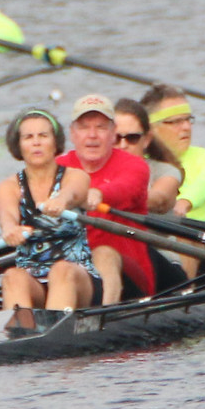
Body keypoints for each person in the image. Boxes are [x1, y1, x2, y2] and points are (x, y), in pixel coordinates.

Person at [0, 109, 100, 314]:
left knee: (61, 270)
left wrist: (61, 200)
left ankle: (53, 336)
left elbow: (75, 193)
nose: (36, 142)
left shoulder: (75, 176)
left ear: (55, 143)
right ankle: (20, 334)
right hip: (34, 281)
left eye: (43, 136)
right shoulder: (8, 187)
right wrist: (9, 229)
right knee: (12, 275)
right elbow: (6, 214)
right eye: (28, 137)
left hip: (77, 277)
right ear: (19, 145)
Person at [54, 94, 155, 305]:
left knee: (103, 253)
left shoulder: (134, 166)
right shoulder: (57, 166)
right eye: (84, 127)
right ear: (73, 133)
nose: (92, 135)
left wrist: (98, 194)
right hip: (70, 269)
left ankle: (103, 316)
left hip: (131, 277)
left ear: (112, 134)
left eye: (101, 127)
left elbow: (125, 189)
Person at [140, 84, 205, 277]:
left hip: (200, 252)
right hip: (156, 249)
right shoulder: (140, 163)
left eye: (188, 119)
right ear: (151, 129)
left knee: (182, 228)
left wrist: (184, 202)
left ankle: (182, 291)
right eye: (175, 121)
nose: (186, 127)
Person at [113, 98, 184, 216]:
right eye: (116, 138)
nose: (123, 145)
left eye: (132, 138)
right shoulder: (91, 169)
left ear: (146, 139)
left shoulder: (166, 172)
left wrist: (107, 196)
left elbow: (160, 200)